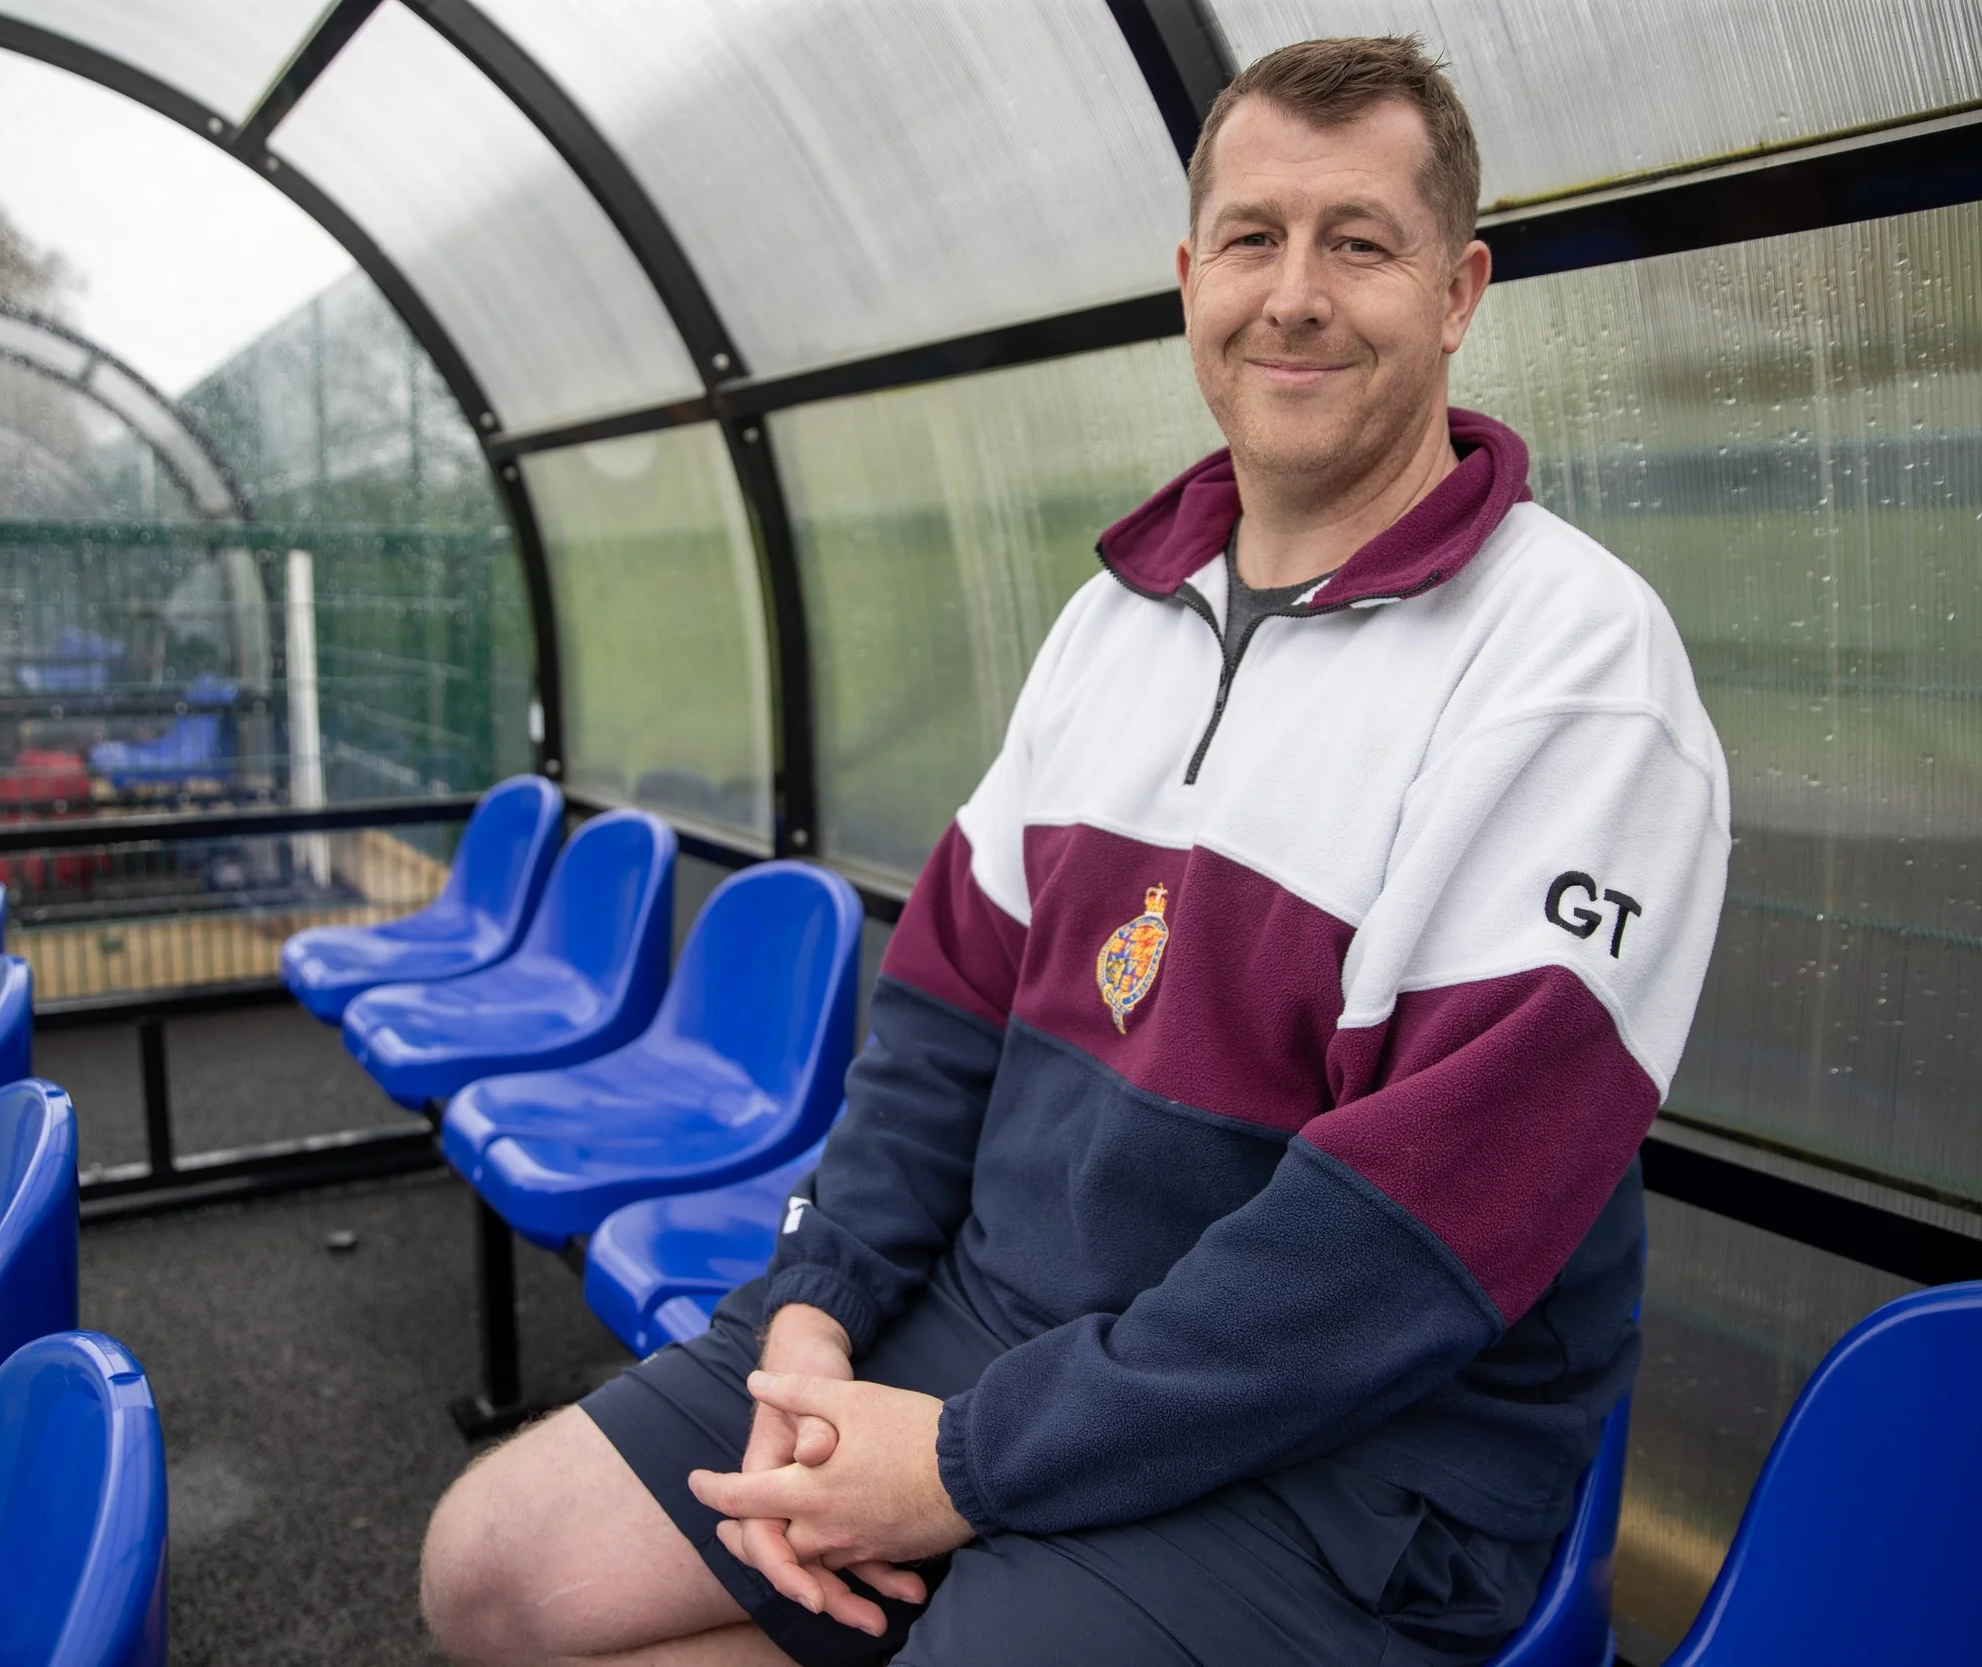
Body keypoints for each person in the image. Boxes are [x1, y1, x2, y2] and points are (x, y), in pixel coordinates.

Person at [420, 33, 1727, 1667]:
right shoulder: (1120, 613)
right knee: (498, 1568)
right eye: (1253, 238)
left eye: (1361, 242)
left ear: (1458, 291)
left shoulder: (1580, 665)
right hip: (990, 1326)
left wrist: (959, 1468)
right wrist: (820, 1301)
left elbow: (1400, 1252)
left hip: (1351, 1452)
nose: (1297, 293)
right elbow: (941, 1021)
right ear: (1191, 278)